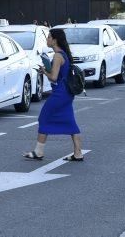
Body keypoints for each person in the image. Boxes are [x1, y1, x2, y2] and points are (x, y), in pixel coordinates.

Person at [24, 28, 83, 161]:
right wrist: (46, 70)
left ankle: (39, 152)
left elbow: (54, 77)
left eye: (49, 37)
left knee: (43, 117)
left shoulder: (57, 56)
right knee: (70, 122)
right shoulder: (63, 54)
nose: (47, 39)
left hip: (60, 94)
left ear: (55, 40)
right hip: (66, 93)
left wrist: (45, 72)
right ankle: (78, 153)